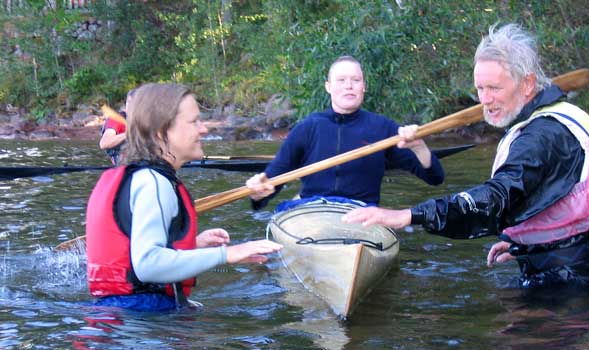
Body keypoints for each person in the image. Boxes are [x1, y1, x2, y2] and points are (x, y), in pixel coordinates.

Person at [342, 24, 589, 292]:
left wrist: (408, 216)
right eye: (480, 89)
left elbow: (495, 199)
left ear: (527, 84)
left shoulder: (542, 136)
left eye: (495, 89)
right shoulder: (558, 115)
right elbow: (549, 193)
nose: (485, 100)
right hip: (581, 264)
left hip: (569, 284)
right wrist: (524, 244)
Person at [85, 83, 282, 311]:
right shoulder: (153, 183)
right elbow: (147, 265)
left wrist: (193, 245)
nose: (204, 129)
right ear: (160, 132)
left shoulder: (142, 178)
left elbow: (134, 258)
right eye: (193, 122)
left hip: (118, 317)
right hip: (141, 321)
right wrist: (227, 254)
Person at [246, 55, 445, 210]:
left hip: (361, 212)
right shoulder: (307, 127)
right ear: (329, 87)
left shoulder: (383, 128)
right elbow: (270, 184)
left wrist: (419, 147)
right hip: (312, 212)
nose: (349, 85)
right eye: (341, 80)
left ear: (364, 87)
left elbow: (435, 178)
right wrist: (258, 192)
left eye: (355, 80)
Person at [99, 88, 136, 165]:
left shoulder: (146, 119)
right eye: (129, 102)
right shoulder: (117, 119)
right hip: (124, 162)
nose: (130, 107)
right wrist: (130, 133)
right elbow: (104, 143)